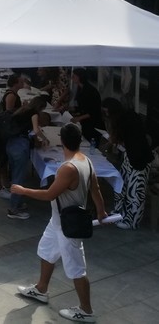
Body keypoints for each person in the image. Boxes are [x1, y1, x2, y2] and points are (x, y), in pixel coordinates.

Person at [14, 123, 107, 324]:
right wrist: (101, 210)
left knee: (76, 269)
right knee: (46, 251)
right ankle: (41, 289)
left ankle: (86, 310)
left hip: (69, 225)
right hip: (58, 221)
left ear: (61, 141)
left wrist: (23, 190)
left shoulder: (69, 168)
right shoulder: (86, 161)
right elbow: (96, 189)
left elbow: (49, 194)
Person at [101, 97, 153, 230]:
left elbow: (116, 139)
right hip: (132, 157)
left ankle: (132, 221)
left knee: (136, 191)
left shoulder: (122, 120)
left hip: (138, 159)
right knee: (124, 185)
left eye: (107, 111)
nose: (106, 114)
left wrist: (107, 145)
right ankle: (122, 213)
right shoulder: (129, 115)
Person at [5, 96, 49, 219]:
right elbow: (36, 130)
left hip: (11, 144)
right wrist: (44, 139)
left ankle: (17, 202)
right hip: (20, 146)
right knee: (19, 177)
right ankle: (13, 209)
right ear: (40, 108)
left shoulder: (22, 110)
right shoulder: (33, 113)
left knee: (15, 174)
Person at [0, 74, 24, 200]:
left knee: (3, 160)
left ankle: (5, 184)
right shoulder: (11, 95)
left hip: (4, 131)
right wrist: (23, 109)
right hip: (2, 131)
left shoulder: (12, 94)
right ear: (16, 83)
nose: (23, 83)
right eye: (21, 81)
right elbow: (9, 113)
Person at [69, 68, 102, 142]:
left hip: (92, 123)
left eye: (74, 76)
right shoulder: (80, 88)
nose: (72, 78)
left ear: (80, 77)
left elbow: (93, 111)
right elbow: (80, 106)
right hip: (84, 121)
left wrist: (79, 118)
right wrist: (68, 108)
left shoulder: (90, 91)